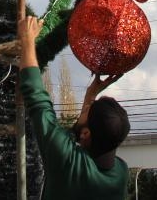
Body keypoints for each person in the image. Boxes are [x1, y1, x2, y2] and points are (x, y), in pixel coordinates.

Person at [17, 15, 131, 199]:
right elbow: (86, 139)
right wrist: (89, 97)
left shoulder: (67, 160)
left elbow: (37, 99)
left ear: (86, 134)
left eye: (87, 110)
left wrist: (27, 40)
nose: (85, 108)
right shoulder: (120, 173)